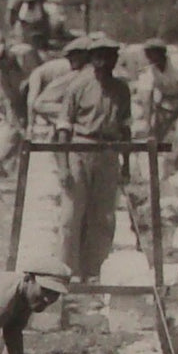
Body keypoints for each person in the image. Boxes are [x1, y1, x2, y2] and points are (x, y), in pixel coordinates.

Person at [53, 34, 132, 281]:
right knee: (72, 215)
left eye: (110, 54)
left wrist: (126, 164)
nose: (104, 60)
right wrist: (64, 167)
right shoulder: (78, 85)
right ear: (92, 57)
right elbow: (63, 128)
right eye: (99, 54)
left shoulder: (122, 89)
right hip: (81, 149)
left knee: (104, 216)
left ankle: (96, 269)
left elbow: (126, 129)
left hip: (108, 153)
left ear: (115, 58)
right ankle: (67, 271)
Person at [140, 38, 178, 172]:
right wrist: (148, 121)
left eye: (153, 53)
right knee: (153, 137)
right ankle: (152, 170)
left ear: (162, 53)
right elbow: (146, 98)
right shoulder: (149, 71)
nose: (150, 57)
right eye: (148, 54)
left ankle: (177, 169)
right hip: (166, 102)